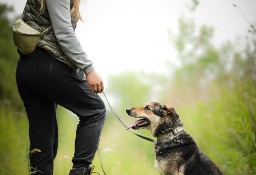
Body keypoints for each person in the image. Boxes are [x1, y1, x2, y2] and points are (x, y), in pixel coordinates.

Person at [15, 0, 106, 174]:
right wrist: (88, 69)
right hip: (48, 64)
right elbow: (64, 33)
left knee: (42, 145)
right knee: (95, 110)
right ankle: (80, 171)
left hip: (27, 68)